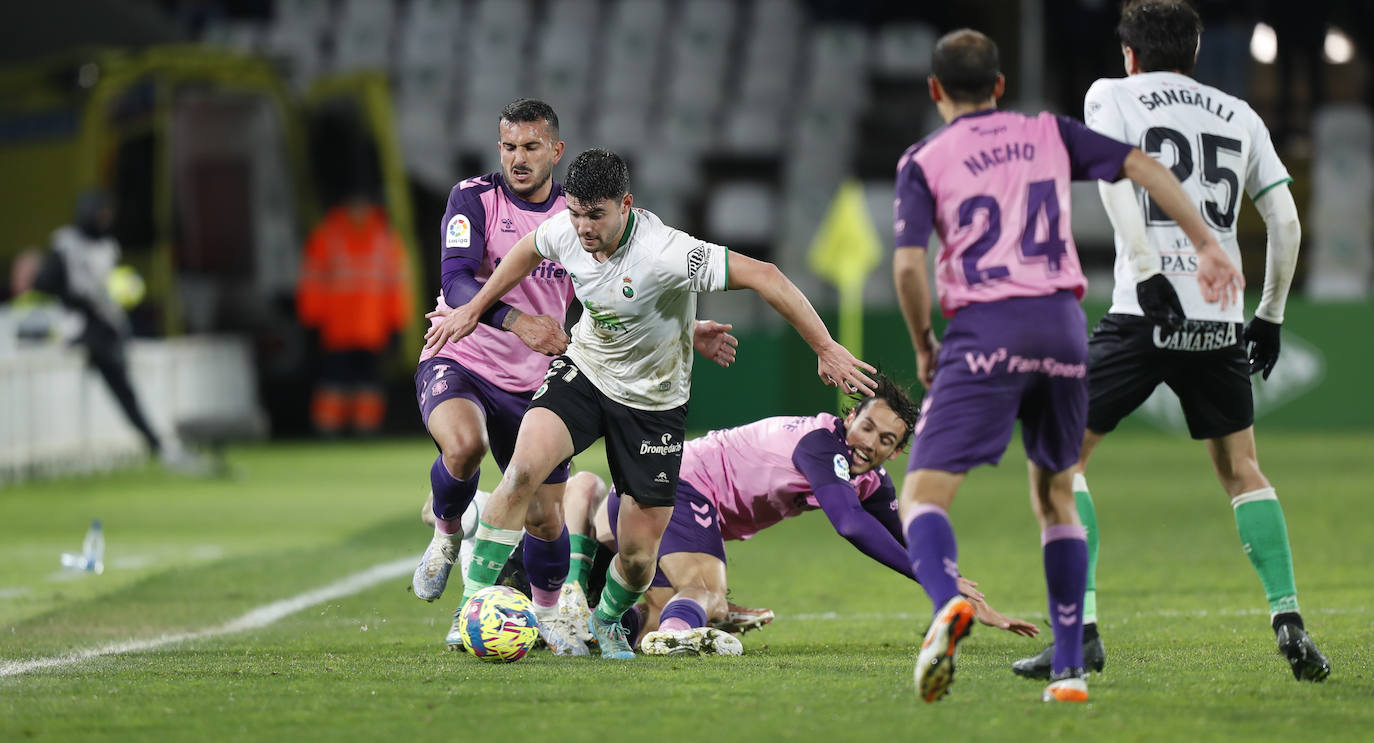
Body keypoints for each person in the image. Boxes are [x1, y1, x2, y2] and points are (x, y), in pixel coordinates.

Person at [892, 29, 1244, 703]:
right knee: (1057, 494)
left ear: (935, 90)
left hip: (986, 327)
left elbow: (909, 264)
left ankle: (945, 605)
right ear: (1000, 86)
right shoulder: (1049, 131)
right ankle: (1069, 670)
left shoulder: (923, 158)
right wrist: (1205, 242)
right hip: (1062, 327)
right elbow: (1144, 167)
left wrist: (923, 342)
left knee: (923, 495)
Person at [425, 147, 876, 660]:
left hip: (653, 405)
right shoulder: (566, 230)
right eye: (575, 213)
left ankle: (606, 620)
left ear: (626, 205)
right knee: (522, 472)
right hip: (586, 371)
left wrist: (824, 346)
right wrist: (477, 308)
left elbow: (767, 275)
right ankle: (473, 609)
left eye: (596, 215)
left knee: (639, 557)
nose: (583, 227)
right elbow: (527, 248)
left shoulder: (667, 251)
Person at [1012, 0, 1329, 684]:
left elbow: (1115, 179)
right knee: (1243, 467)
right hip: (1218, 318)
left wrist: (1151, 269)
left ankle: (1082, 634)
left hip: (1143, 311)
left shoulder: (1110, 94)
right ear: (1195, 52)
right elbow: (1286, 221)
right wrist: (1269, 314)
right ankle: (1289, 619)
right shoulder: (1238, 113)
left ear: (1129, 53)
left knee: (1058, 458)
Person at [409, 101, 738, 656]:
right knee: (464, 446)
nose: (518, 158)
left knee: (544, 518)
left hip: (539, 373)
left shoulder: (580, 214)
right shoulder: (474, 198)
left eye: (531, 147)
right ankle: (446, 538)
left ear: (555, 152)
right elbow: (457, 281)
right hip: (465, 355)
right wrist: (517, 322)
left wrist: (687, 324)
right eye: (509, 146)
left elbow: (608, 296)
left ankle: (545, 619)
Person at [585, 374, 1038, 656]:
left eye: (885, 440)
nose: (870, 442)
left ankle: (599, 624)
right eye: (867, 427)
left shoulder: (872, 481)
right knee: (706, 593)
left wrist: (972, 600)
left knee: (659, 615)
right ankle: (676, 641)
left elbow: (911, 541)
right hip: (678, 485)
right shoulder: (823, 446)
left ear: (897, 452)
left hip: (667, 489)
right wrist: (930, 575)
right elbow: (849, 523)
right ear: (849, 420)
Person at [29, 190, 206, 475]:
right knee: (121, 390)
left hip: (106, 329)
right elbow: (45, 283)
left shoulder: (107, 247)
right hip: (80, 329)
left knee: (126, 392)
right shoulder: (67, 245)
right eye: (102, 213)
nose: (105, 218)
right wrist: (78, 299)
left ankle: (160, 445)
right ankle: (160, 446)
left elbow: (108, 292)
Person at [296, 189, 411, 436]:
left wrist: (397, 323)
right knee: (333, 384)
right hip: (337, 328)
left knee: (367, 384)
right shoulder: (328, 236)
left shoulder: (385, 238)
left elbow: (396, 287)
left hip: (371, 329)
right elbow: (312, 282)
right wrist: (312, 321)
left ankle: (366, 430)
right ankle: (328, 431)